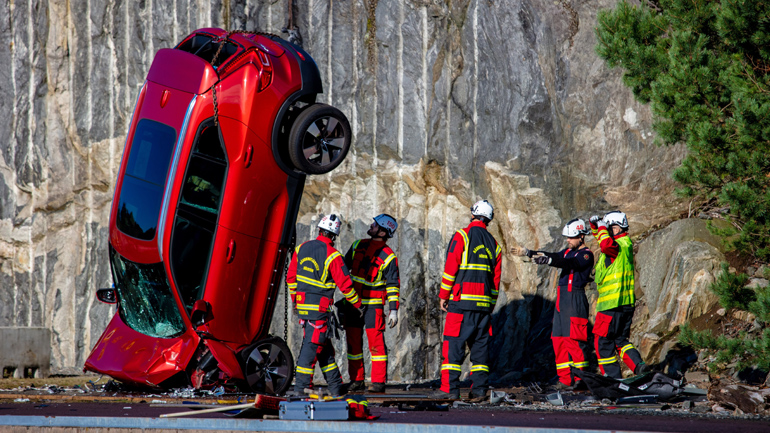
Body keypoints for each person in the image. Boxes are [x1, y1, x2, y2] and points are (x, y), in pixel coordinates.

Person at [512, 218, 594, 389]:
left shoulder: (586, 254)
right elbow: (553, 256)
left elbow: (570, 263)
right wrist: (528, 252)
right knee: (558, 340)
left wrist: (549, 261)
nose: (568, 240)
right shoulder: (567, 252)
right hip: (562, 301)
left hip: (574, 299)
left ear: (581, 236)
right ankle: (564, 379)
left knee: (574, 340)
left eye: (571, 238)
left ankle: (581, 380)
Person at [286, 214, 362, 396]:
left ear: (319, 230)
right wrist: (358, 305)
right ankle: (300, 390)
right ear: (334, 236)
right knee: (309, 352)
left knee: (324, 350)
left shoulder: (301, 248)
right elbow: (346, 285)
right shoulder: (333, 255)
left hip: (304, 310)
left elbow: (291, 278)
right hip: (319, 312)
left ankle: (336, 388)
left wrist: (296, 301)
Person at [435, 200, 502, 401]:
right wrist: (489, 306)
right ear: (488, 219)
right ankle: (479, 391)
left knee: (453, 346)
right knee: (480, 351)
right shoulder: (495, 245)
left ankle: (449, 390)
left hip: (461, 304)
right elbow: (495, 282)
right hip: (483, 308)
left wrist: (443, 296)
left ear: (473, 214)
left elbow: (451, 268)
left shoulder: (462, 235)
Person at [342, 214, 401, 393]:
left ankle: (378, 382)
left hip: (373, 306)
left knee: (376, 345)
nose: (371, 225)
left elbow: (392, 285)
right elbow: (342, 269)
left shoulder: (389, 257)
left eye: (375, 225)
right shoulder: (357, 245)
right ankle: (356, 380)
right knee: (353, 344)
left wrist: (393, 310)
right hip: (353, 303)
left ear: (383, 232)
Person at [589, 210, 648, 378]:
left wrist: (601, 226)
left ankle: (612, 379)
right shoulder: (624, 244)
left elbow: (606, 244)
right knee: (621, 342)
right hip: (625, 306)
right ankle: (639, 367)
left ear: (614, 228)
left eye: (608, 229)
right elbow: (602, 239)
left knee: (603, 343)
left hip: (611, 306)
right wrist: (596, 225)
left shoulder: (614, 247)